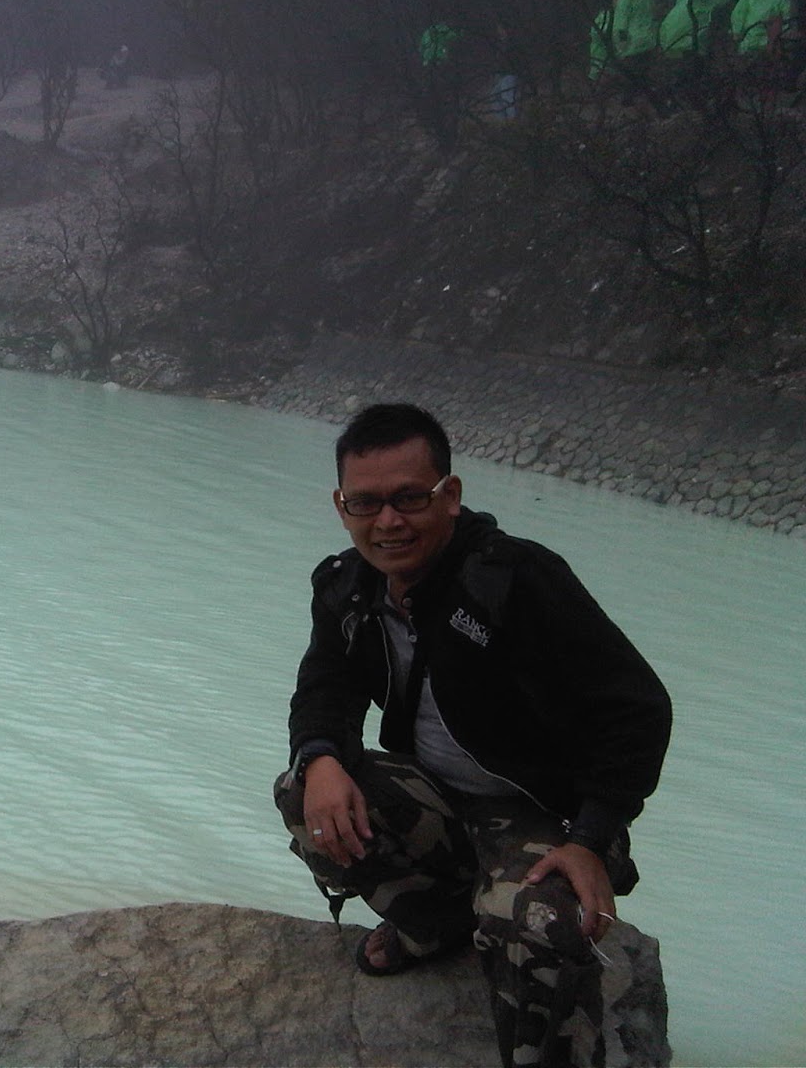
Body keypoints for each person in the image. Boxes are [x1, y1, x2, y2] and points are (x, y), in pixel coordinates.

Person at [274, 403, 672, 1068]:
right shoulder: (348, 587)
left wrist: (592, 838)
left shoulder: (515, 580)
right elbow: (327, 684)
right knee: (300, 793)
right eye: (366, 503)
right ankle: (436, 922)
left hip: (541, 814)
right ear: (342, 506)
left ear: (449, 496)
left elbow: (637, 707)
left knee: (536, 926)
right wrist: (320, 758)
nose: (388, 522)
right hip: (439, 798)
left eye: (409, 498)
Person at [611, 0, 663, 111]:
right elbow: (621, 24)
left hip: (644, 45)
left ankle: (633, 107)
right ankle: (652, 107)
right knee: (638, 79)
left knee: (639, 79)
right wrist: (622, 46)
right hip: (635, 46)